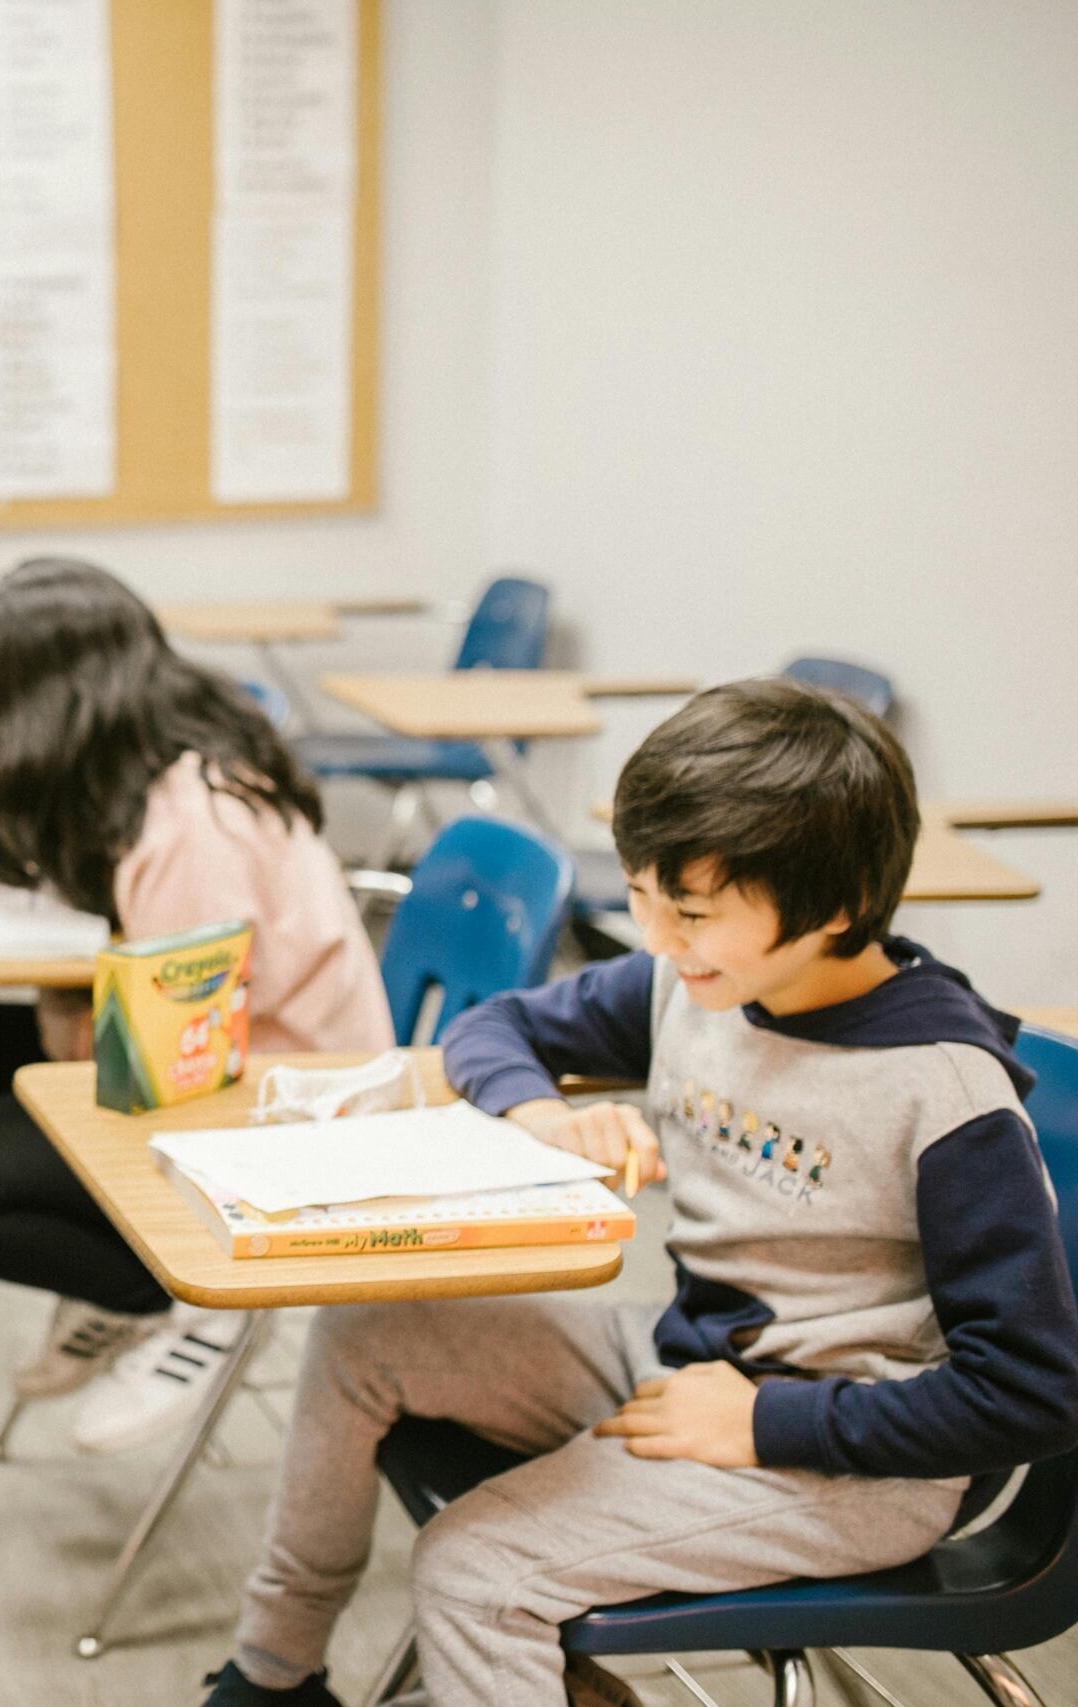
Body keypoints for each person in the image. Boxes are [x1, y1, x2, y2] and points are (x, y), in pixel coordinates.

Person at [201, 678, 1078, 1706]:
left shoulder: (940, 1090)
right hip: (679, 1363)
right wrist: (546, 1117)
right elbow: (495, 1030)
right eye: (642, 897)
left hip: (850, 1461)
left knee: (475, 1569)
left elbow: (1033, 1393)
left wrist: (765, 1427)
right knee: (364, 1334)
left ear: (832, 908)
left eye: (691, 912)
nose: (654, 937)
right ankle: (274, 1673)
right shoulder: (698, 983)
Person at [0, 557, 391, 1455]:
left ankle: (186, 1288)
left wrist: (59, 1008)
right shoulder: (151, 768)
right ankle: (124, 1272)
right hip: (204, 1058)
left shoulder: (194, 829)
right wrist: (3, 846)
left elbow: (160, 1073)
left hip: (265, 1115)